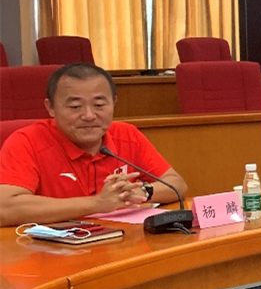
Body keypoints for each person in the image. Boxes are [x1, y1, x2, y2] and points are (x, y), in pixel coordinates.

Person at [0, 63, 188, 226]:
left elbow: (177, 185)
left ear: (114, 103)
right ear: (51, 108)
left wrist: (141, 192)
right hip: (51, 250)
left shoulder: (126, 134)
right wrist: (97, 203)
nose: (89, 115)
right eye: (75, 107)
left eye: (99, 105)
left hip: (119, 244)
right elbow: (4, 208)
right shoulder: (26, 141)